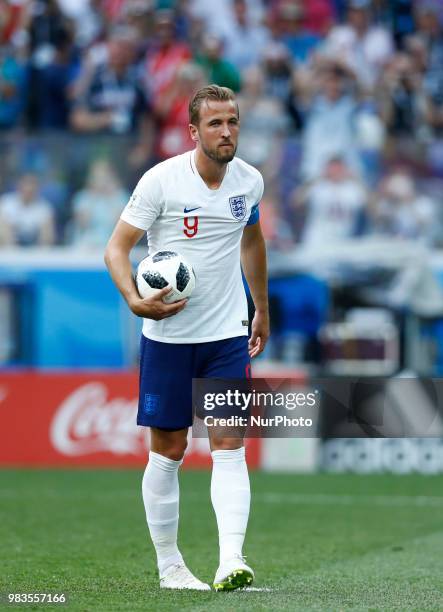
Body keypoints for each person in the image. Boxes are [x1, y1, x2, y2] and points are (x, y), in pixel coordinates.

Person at [104, 85, 269, 590]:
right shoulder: (160, 182)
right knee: (169, 450)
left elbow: (252, 240)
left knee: (228, 445)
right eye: (216, 124)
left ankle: (230, 560)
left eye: (233, 122)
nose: (226, 132)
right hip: (167, 337)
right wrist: (134, 298)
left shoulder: (250, 183)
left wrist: (261, 306)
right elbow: (116, 248)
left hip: (226, 335)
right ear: (193, 131)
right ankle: (170, 567)